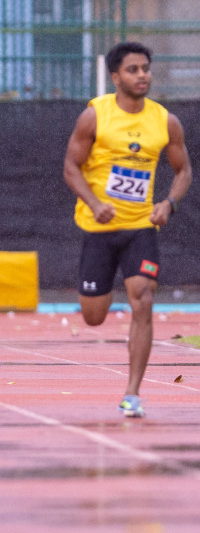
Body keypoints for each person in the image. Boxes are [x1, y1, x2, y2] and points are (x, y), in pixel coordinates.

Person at [63, 41, 191, 419]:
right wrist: (93, 202)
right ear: (115, 76)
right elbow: (71, 168)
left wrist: (169, 203)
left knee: (143, 298)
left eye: (146, 69)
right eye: (133, 70)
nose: (142, 76)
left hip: (140, 227)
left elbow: (183, 169)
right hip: (99, 228)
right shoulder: (95, 117)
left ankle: (132, 392)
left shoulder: (165, 120)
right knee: (94, 316)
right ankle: (100, 293)